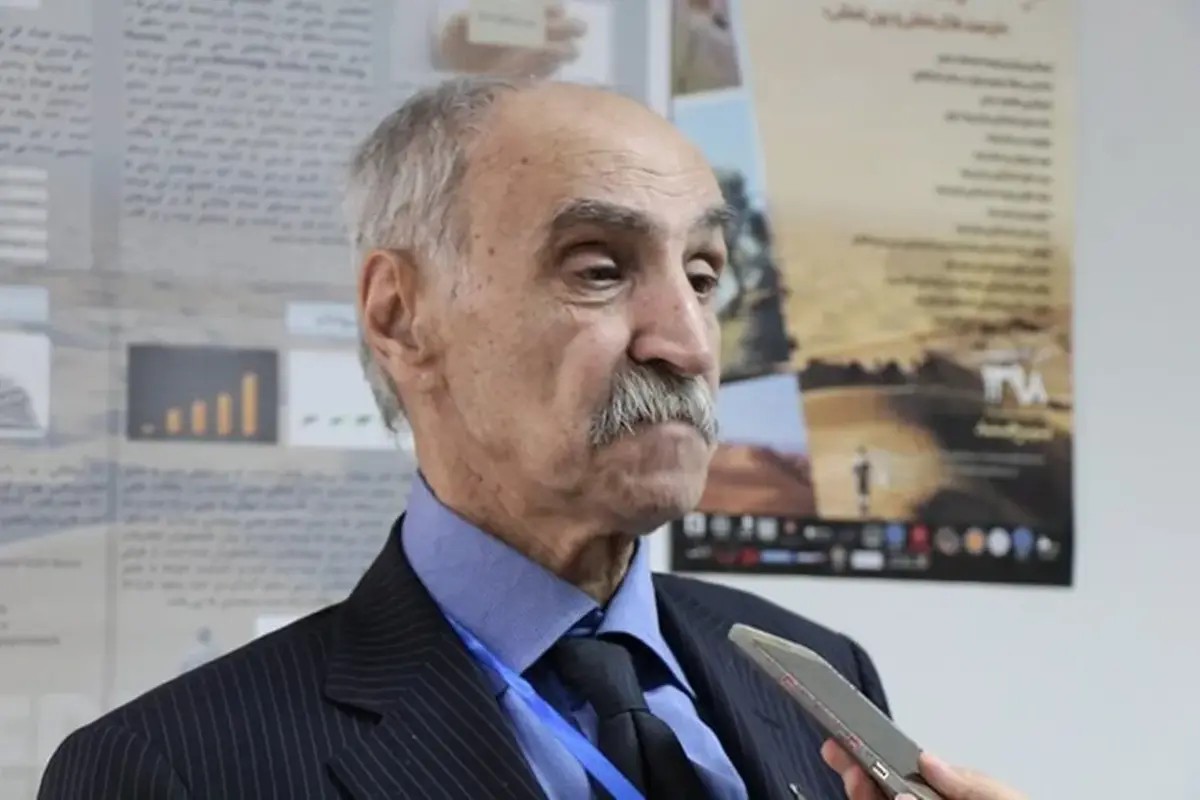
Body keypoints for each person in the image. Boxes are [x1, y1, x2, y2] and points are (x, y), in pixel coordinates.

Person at [38, 78, 1025, 800]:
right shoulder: (170, 770)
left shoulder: (816, 674)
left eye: (703, 274)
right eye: (599, 268)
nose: (687, 343)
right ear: (399, 315)